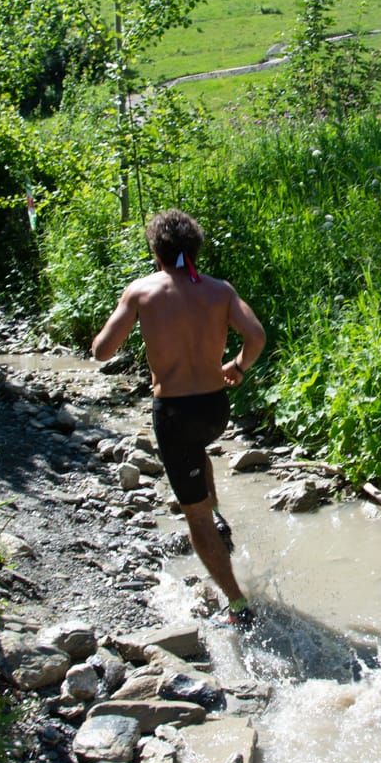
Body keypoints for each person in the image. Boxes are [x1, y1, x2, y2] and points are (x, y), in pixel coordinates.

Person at [91, 209, 266, 628]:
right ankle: (218, 513)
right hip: (214, 409)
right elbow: (256, 336)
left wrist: (114, 328)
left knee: (194, 517)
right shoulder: (220, 291)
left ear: (157, 251)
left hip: (173, 413)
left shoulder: (141, 291)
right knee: (198, 450)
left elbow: (102, 352)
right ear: (195, 249)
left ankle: (238, 605)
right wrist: (237, 368)